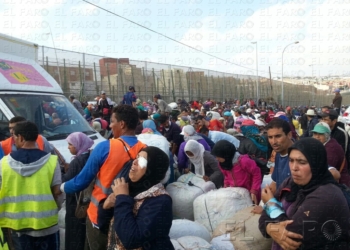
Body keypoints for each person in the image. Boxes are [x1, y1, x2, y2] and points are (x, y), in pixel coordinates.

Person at [60, 105, 146, 250]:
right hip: (129, 217)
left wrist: (62, 187)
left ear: (122, 124)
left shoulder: (105, 147)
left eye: (112, 122)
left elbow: (80, 181)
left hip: (99, 216)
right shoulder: (145, 149)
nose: (110, 126)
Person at [259, 138, 350, 249]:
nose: (294, 168)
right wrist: (269, 228)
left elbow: (291, 235)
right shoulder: (290, 182)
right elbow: (263, 219)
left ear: (316, 164)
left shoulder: (326, 196)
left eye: (302, 162)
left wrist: (270, 204)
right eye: (291, 160)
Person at [0, 121, 62, 250]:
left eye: (14, 137)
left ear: (21, 137)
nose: (13, 141)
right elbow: (57, 192)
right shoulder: (51, 161)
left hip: (16, 227)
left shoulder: (4, 163)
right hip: (46, 225)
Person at [102, 147, 174, 249]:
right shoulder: (128, 188)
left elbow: (132, 240)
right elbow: (105, 227)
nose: (134, 162)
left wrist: (122, 199)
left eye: (142, 160)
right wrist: (106, 206)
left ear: (152, 168)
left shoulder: (160, 201)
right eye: (136, 157)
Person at [62, 132, 94, 250]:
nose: (68, 147)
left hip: (75, 204)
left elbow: (66, 181)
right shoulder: (90, 156)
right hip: (88, 202)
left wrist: (60, 174)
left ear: (78, 144)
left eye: (71, 144)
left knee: (74, 235)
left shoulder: (77, 161)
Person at [211, 140, 261, 204]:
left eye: (218, 156)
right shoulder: (223, 164)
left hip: (251, 192)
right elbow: (226, 176)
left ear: (226, 155)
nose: (216, 159)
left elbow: (256, 174)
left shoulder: (243, 162)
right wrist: (225, 188)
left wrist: (254, 190)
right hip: (237, 194)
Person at [312, 122, 350, 186]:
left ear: (327, 135)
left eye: (320, 134)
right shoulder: (325, 143)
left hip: (341, 184)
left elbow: (323, 170)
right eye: (315, 133)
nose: (317, 136)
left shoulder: (332, 149)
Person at [266, 118, 294, 193]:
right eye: (270, 137)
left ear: (289, 135)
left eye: (278, 136)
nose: (273, 142)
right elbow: (275, 183)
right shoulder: (278, 154)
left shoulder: (301, 154)